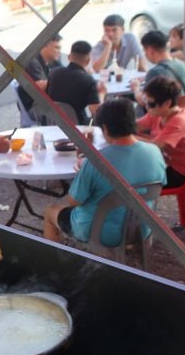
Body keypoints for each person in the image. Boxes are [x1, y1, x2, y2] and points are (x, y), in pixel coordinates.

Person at [44, 98, 167, 246]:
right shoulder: (154, 151)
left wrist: (84, 170)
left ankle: (54, 262)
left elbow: (74, 201)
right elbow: (159, 185)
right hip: (142, 228)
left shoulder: (95, 162)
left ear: (106, 129)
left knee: (50, 211)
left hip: (99, 232)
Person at [136, 76, 185, 189]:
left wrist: (129, 137)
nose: (147, 107)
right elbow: (136, 126)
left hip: (176, 173)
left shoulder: (178, 121)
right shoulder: (158, 112)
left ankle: (138, 205)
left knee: (130, 180)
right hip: (163, 161)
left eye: (151, 104)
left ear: (167, 103)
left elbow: (155, 146)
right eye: (146, 102)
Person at [46, 40, 102, 124]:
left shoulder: (53, 73)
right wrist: (102, 93)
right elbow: (96, 112)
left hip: (53, 121)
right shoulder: (88, 80)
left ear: (69, 57)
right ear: (88, 61)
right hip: (77, 125)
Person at [19, 34, 63, 121]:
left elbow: (65, 75)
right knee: (68, 111)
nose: (59, 51)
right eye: (56, 48)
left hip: (45, 102)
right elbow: (43, 89)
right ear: (44, 46)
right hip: (33, 105)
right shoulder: (32, 62)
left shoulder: (53, 60)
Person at [139, 30, 185, 95]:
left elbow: (146, 101)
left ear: (150, 50)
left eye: (144, 50)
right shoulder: (181, 65)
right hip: (181, 103)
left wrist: (136, 88)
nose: (145, 54)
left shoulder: (154, 72)